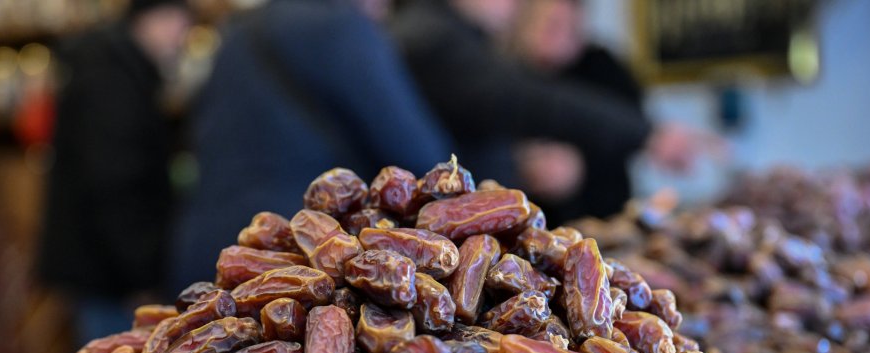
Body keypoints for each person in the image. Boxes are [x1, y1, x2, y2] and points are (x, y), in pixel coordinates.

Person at [168, 0, 451, 294]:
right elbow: (418, 150)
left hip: (204, 251)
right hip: (296, 252)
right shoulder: (341, 27)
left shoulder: (237, 31)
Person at [391, 0, 707, 222]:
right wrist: (647, 134)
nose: (513, 7)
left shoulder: (601, 66)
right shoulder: (434, 35)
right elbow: (518, 99)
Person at [37, 0, 191, 346]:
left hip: (103, 267)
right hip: (110, 276)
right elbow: (113, 184)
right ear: (155, 17)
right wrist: (139, 279)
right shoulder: (112, 78)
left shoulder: (116, 67)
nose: (182, 38)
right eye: (180, 23)